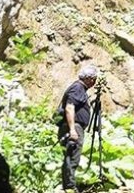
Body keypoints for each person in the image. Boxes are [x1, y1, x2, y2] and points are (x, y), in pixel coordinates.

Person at [57, 64, 98, 193]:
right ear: (88, 78)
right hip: (73, 126)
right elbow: (70, 107)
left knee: (72, 156)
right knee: (72, 156)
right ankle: (70, 187)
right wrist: (72, 130)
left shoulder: (79, 89)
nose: (94, 82)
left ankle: (69, 185)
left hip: (74, 126)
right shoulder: (78, 88)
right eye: (94, 79)